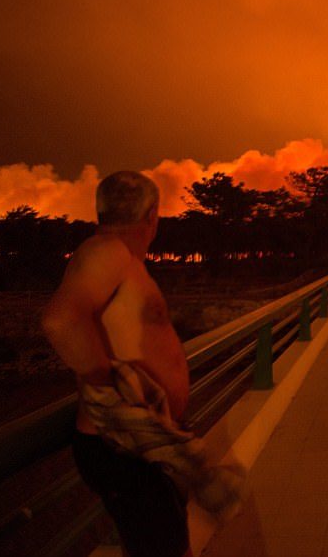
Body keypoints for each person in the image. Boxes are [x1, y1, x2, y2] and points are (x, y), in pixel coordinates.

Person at [43, 171, 240, 557]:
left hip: (144, 440)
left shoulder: (121, 258)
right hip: (122, 445)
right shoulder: (108, 252)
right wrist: (107, 382)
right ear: (153, 215)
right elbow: (60, 320)